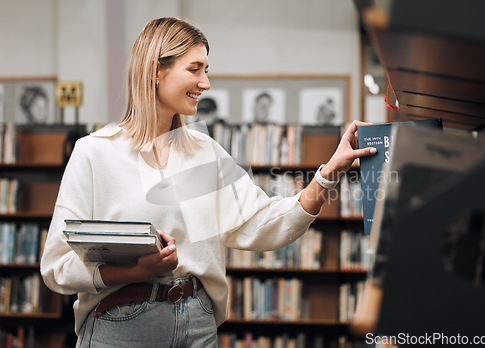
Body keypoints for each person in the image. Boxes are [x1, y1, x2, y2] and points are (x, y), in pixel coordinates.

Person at [40, 17, 376, 348]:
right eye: (195, 69)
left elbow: (263, 222)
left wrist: (330, 171)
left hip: (198, 323)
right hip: (121, 325)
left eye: (206, 70)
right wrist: (134, 272)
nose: (206, 83)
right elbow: (58, 266)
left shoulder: (205, 152)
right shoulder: (95, 153)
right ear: (157, 71)